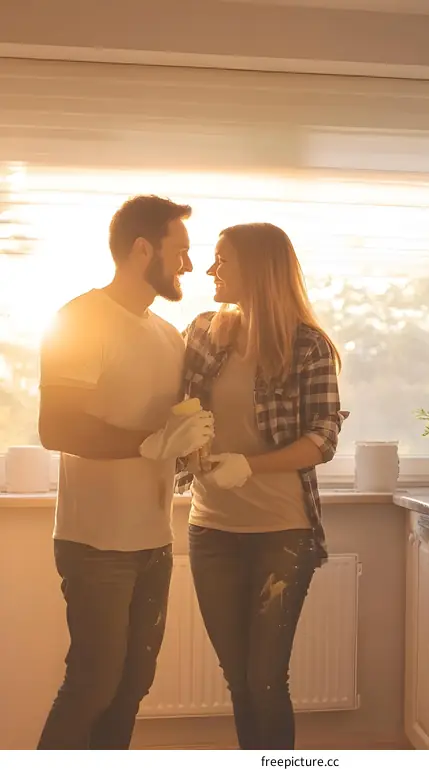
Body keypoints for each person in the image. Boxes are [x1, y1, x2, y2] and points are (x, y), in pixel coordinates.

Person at [36, 195, 214, 750]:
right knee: (92, 683)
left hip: (151, 541)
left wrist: (190, 448)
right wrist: (153, 443)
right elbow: (57, 429)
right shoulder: (80, 319)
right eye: (180, 250)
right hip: (95, 543)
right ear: (143, 249)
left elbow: (168, 436)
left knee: (133, 683)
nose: (188, 264)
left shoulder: (167, 334)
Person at [176, 222, 344, 750]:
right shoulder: (204, 332)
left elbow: (324, 437)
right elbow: (177, 410)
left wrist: (248, 464)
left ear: (258, 267)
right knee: (238, 679)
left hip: (282, 533)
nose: (210, 270)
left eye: (222, 260)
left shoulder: (307, 346)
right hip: (212, 530)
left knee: (265, 681)